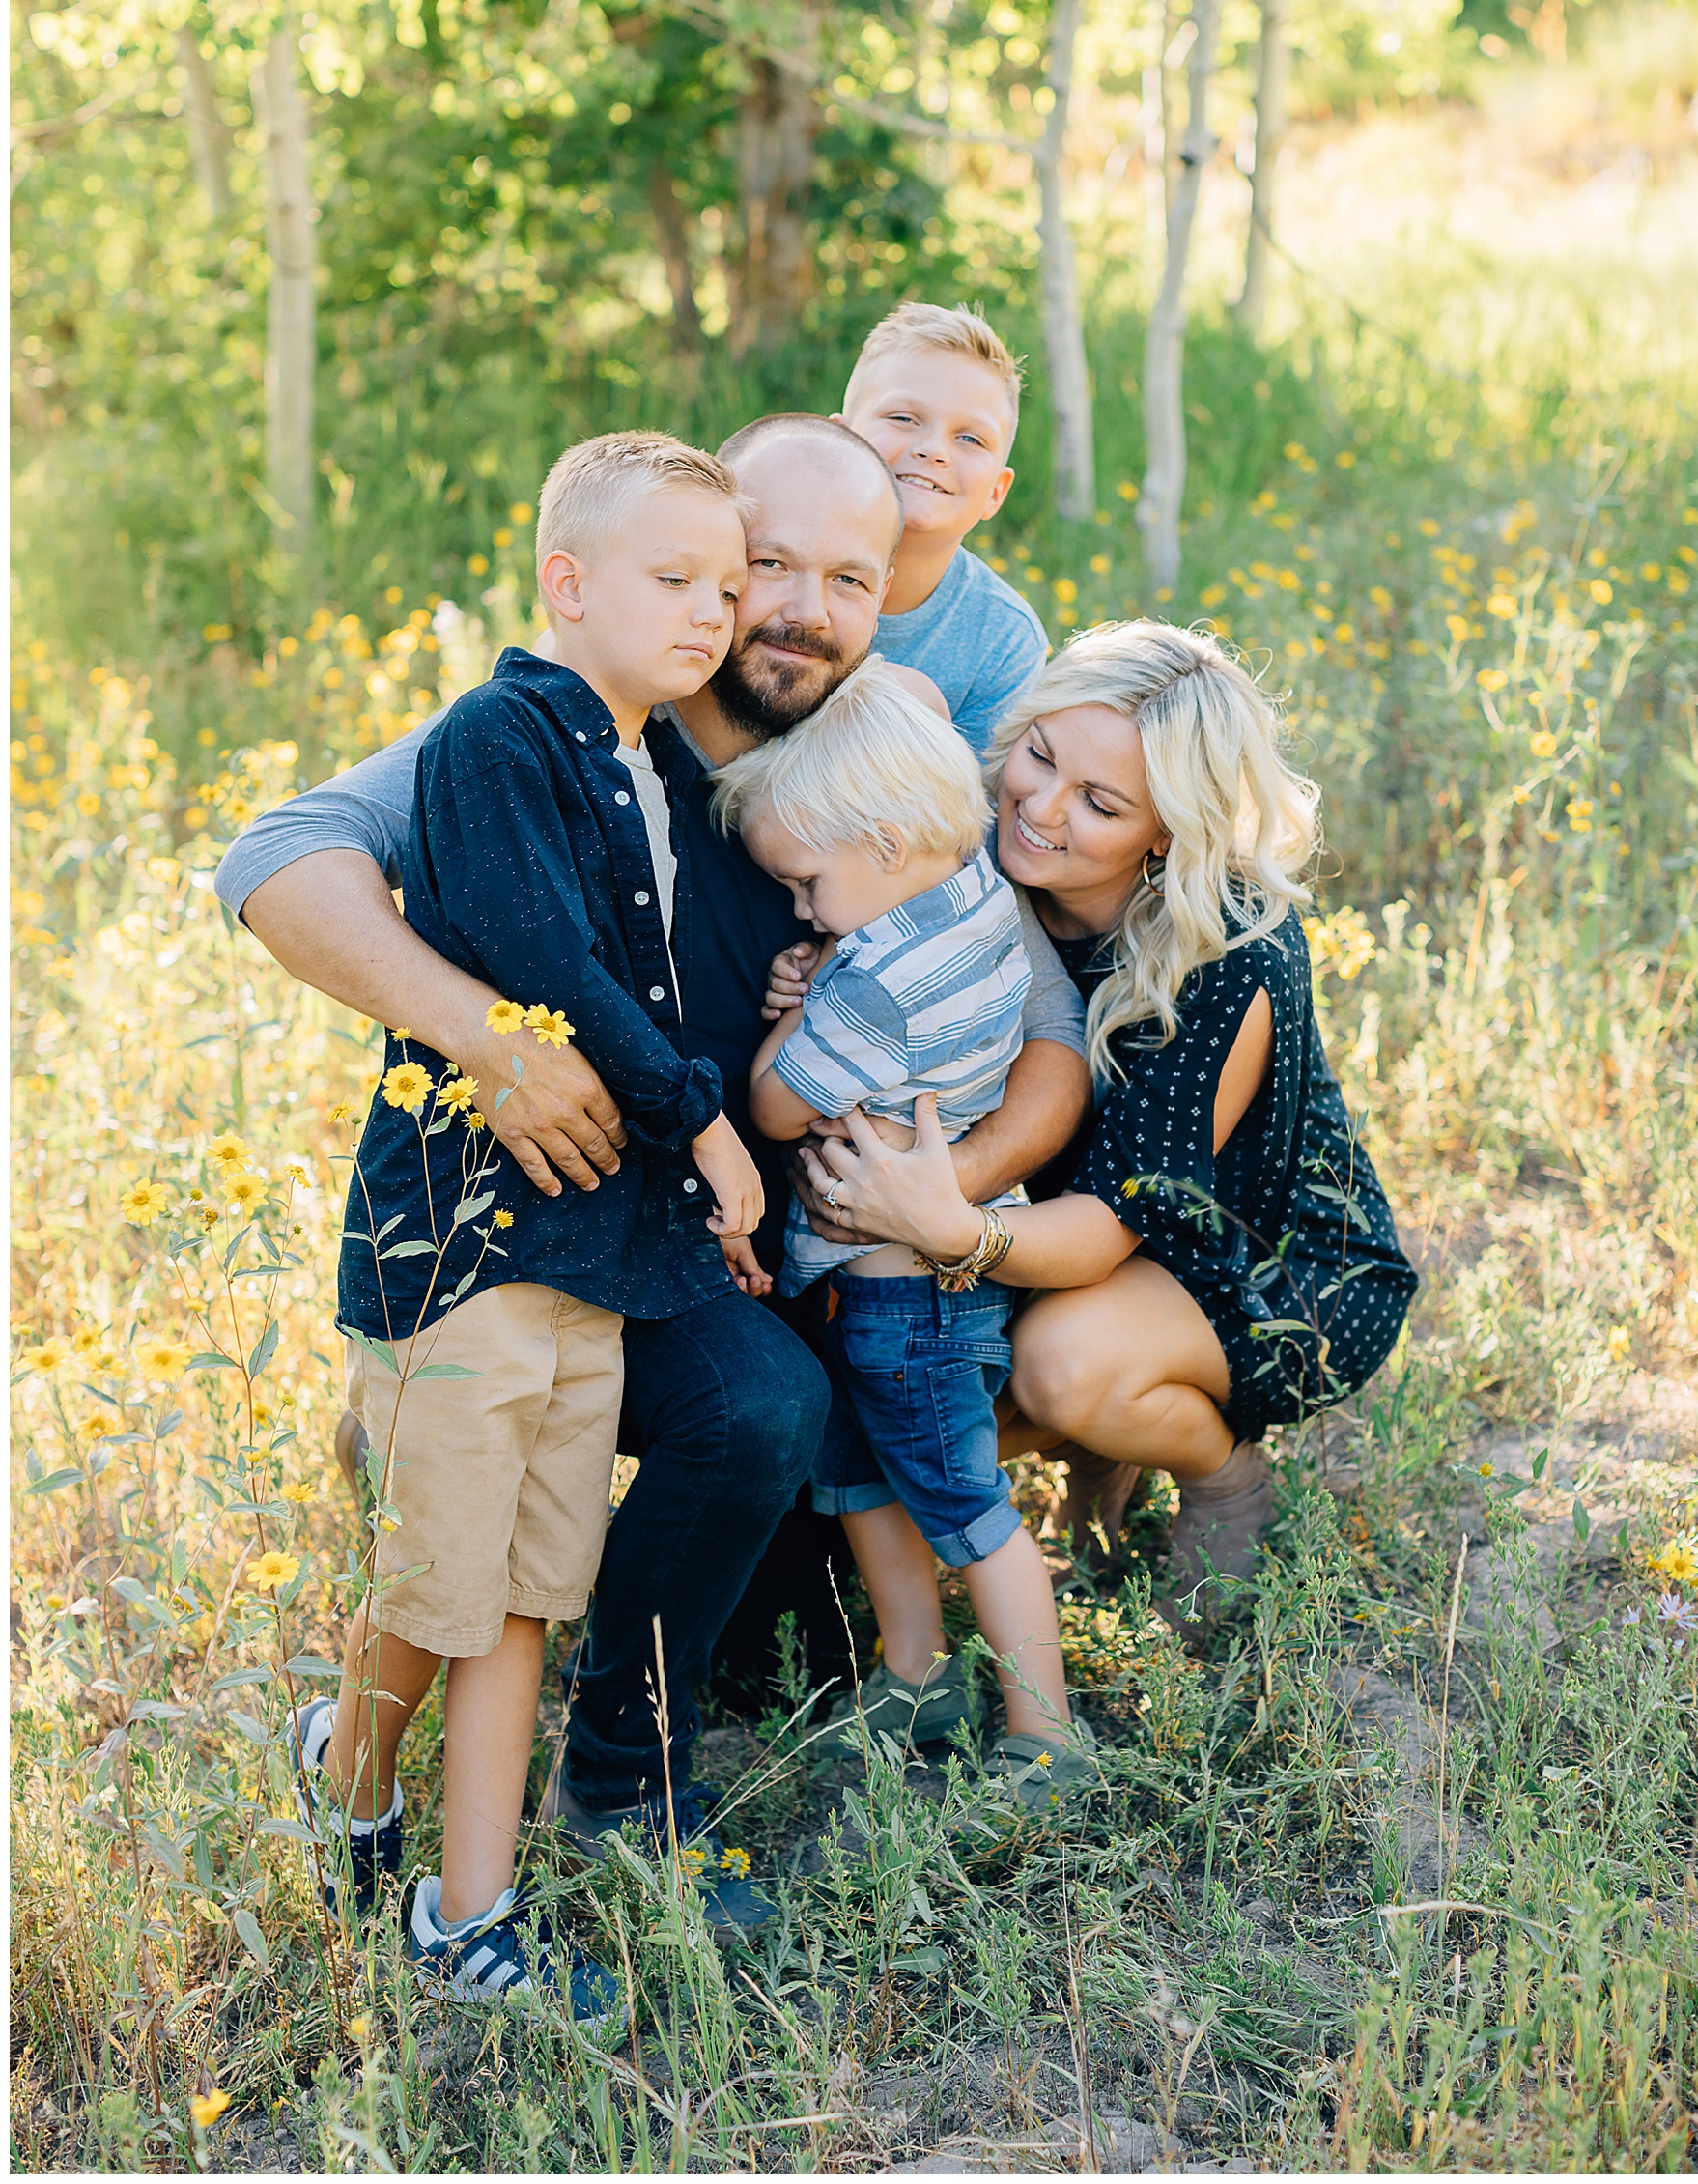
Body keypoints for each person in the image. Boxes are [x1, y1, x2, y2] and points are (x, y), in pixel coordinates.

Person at [215, 412, 1090, 1933]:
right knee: (725, 1407)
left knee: (769, 1404)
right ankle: (433, 1759)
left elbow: (1045, 1009)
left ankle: (623, 1764)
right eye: (764, 567)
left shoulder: (883, 738)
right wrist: (493, 1036)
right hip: (569, 1199)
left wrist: (940, 1198)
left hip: (750, 1230)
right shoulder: (573, 721)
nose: (798, 609)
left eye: (850, 578)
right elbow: (272, 860)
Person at [292, 429, 764, 2013]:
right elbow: (543, 963)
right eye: (672, 578)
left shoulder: (660, 761)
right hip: (470, 1245)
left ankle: (464, 1915)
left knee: (519, 1598)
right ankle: (352, 1775)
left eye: (728, 581)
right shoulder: (498, 740)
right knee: (439, 1581)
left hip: (594, 1258)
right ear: (566, 582)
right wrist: (698, 1112)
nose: (713, 609)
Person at [797, 620, 1420, 1621]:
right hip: (1068, 1236)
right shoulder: (970, 861)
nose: (1039, 807)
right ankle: (1099, 1445)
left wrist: (947, 1225)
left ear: (1165, 829)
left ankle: (1222, 1471)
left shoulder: (1231, 947)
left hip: (1261, 1257)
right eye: (1039, 755)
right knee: (889, 1400)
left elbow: (1126, 1213)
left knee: (1059, 1367)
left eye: (1099, 802)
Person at [717, 663, 1087, 1803]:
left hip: (906, 1296)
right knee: (865, 1481)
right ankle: (914, 1672)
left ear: (880, 845)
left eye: (809, 883)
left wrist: (789, 1018)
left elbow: (775, 1104)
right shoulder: (961, 885)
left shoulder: (880, 979)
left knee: (965, 1505)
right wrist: (829, 963)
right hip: (874, 1286)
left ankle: (1048, 1735)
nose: (800, 908)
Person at [836, 300, 1047, 757]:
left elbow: (966, 818)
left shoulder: (1002, 642)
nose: (933, 450)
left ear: (996, 492)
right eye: (903, 419)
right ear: (839, 440)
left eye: (970, 438)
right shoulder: (753, 561)